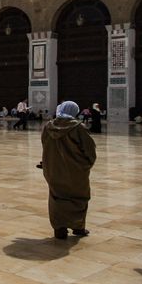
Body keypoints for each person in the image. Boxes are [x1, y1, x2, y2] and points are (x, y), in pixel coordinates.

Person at [40, 100, 97, 239]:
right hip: (75, 171)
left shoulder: (48, 126)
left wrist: (48, 163)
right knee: (79, 198)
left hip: (53, 170)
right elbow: (90, 151)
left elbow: (45, 145)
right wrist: (85, 166)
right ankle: (78, 227)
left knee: (56, 198)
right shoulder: (79, 128)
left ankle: (59, 229)